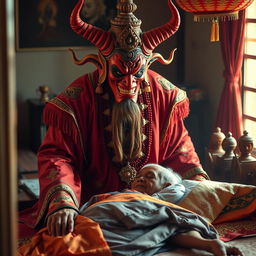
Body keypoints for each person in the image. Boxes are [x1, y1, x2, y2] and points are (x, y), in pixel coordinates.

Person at [18, 0, 210, 242]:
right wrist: (63, 203)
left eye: (137, 73)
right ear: (103, 64)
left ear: (147, 65)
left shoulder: (164, 94)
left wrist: (200, 189)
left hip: (154, 209)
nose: (129, 82)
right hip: (92, 211)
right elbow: (57, 156)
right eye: (120, 72)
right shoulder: (78, 98)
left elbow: (181, 152)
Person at [77, 163, 243, 256]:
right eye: (139, 176)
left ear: (166, 186)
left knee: (172, 221)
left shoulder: (164, 198)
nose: (141, 179)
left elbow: (177, 197)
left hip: (139, 209)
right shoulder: (120, 194)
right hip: (101, 215)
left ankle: (209, 245)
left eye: (150, 177)